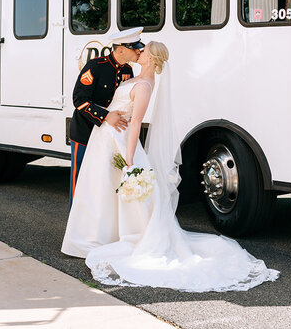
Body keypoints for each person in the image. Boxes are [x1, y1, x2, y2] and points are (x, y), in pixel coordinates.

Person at [62, 41, 279, 292]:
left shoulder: (143, 84)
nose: (139, 52)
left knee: (107, 188)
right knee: (98, 188)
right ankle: (93, 236)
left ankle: (100, 239)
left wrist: (130, 158)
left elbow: (135, 124)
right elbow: (84, 98)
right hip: (105, 137)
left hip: (118, 141)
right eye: (136, 49)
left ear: (151, 60)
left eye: (143, 51)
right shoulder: (125, 73)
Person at [68, 27, 144, 205]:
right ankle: (75, 222)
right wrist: (105, 116)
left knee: (101, 182)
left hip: (109, 136)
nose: (138, 51)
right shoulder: (96, 66)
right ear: (120, 49)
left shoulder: (128, 70)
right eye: (134, 48)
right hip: (85, 131)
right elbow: (79, 100)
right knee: (80, 180)